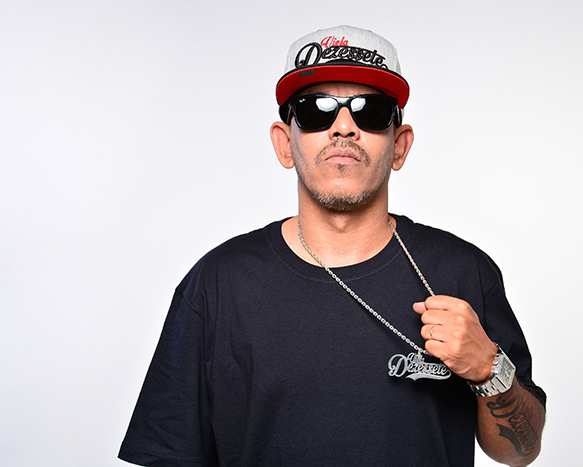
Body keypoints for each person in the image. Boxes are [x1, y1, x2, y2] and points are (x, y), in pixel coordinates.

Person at [118, 25, 546, 467]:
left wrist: (490, 370)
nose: (344, 127)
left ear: (399, 147)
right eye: (316, 110)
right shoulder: (218, 283)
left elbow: (521, 451)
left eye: (371, 111)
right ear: (285, 143)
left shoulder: (464, 272)